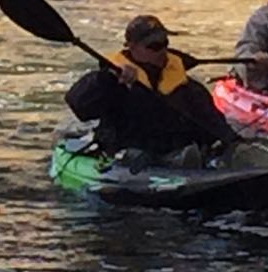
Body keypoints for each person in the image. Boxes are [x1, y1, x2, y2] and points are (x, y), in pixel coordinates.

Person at [64, 16, 239, 165]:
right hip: (127, 154)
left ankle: (181, 160)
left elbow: (214, 124)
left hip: (178, 155)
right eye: (153, 46)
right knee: (137, 155)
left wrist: (235, 144)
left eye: (164, 43)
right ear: (131, 47)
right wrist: (108, 78)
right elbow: (78, 103)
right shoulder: (112, 81)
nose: (162, 50)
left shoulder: (186, 87)